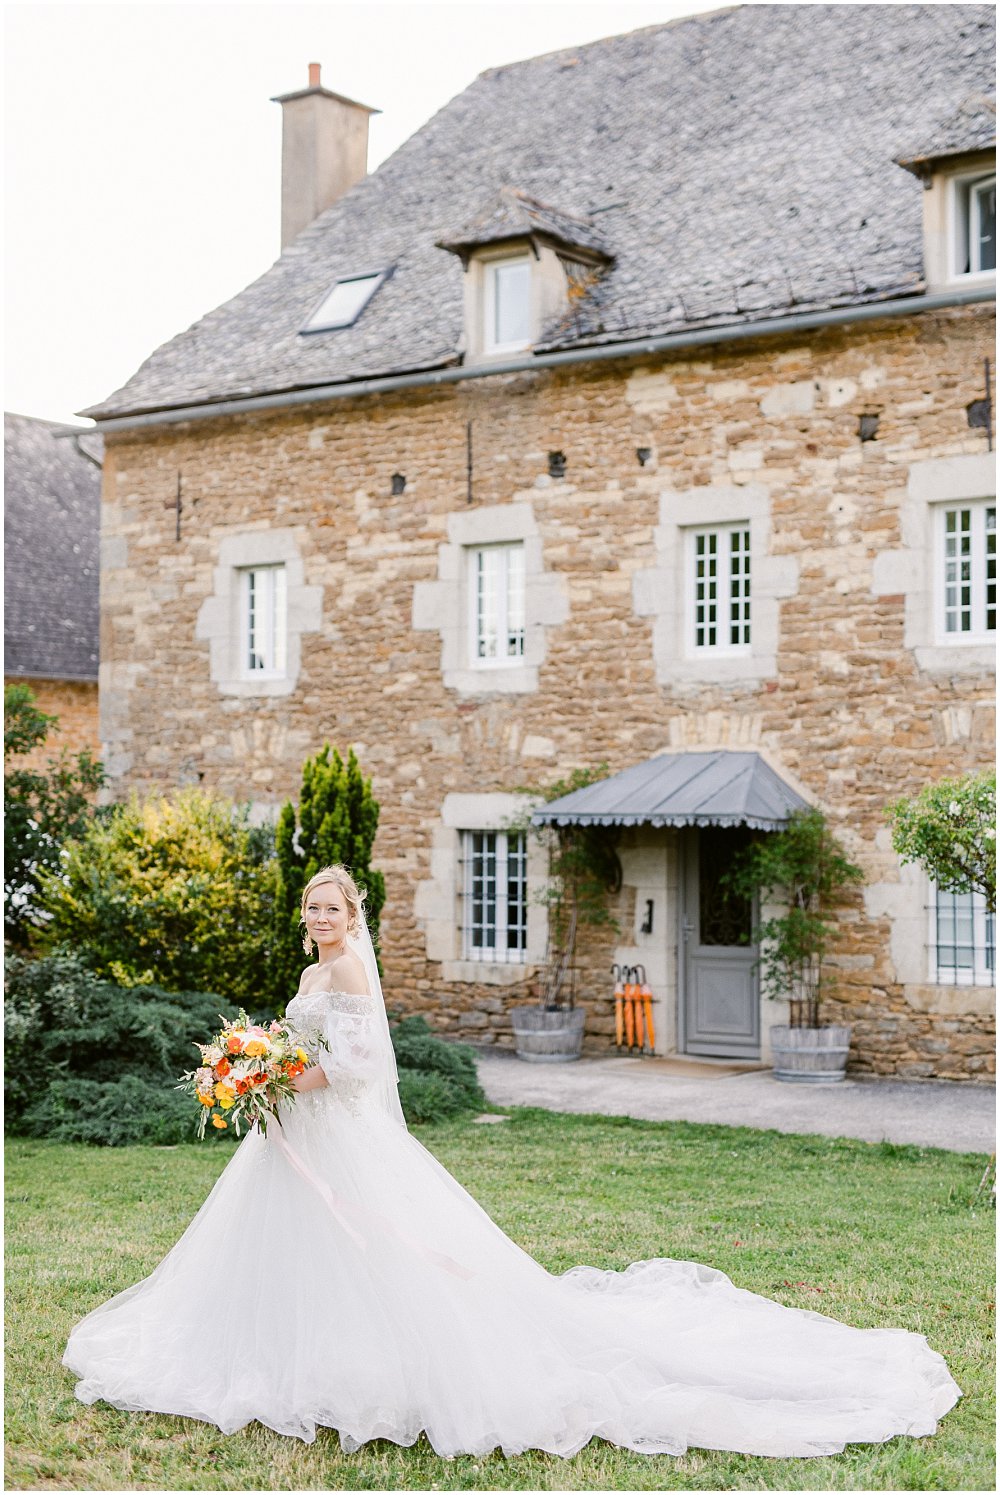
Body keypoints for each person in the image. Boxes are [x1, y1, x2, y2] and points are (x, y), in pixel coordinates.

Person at [64, 865, 961, 1458]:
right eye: (310, 908)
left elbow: (364, 1065)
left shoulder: (349, 976)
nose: (319, 918)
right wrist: (261, 1068)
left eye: (332, 908)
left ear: (354, 916)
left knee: (377, 1255)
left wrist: (282, 1077)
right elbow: (311, 1049)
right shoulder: (312, 975)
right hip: (294, 1137)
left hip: (333, 1131)